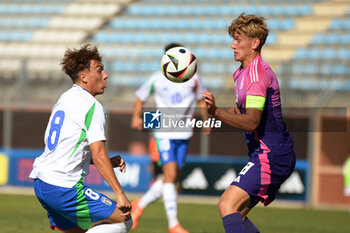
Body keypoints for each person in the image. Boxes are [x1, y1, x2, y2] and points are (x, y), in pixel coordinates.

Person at [201, 13, 296, 233]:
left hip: (271, 153)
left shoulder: (256, 75)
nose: (233, 45)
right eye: (233, 39)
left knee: (227, 205)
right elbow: (250, 111)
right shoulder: (241, 73)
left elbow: (252, 122)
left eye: (238, 39)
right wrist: (224, 111)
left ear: (254, 43)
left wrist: (216, 112)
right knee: (239, 214)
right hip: (264, 152)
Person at [29, 44, 133, 233]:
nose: (106, 75)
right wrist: (120, 193)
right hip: (64, 188)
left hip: (41, 183)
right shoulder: (91, 106)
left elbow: (70, 146)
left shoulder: (65, 98)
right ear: (84, 77)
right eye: (100, 70)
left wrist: (107, 162)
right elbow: (99, 152)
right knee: (124, 219)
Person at [130, 43, 209, 233]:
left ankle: (139, 205)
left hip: (184, 133)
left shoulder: (194, 78)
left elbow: (200, 99)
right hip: (163, 132)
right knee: (171, 176)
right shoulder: (157, 78)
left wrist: (206, 120)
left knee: (171, 179)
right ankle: (173, 224)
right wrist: (135, 117)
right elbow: (141, 97)